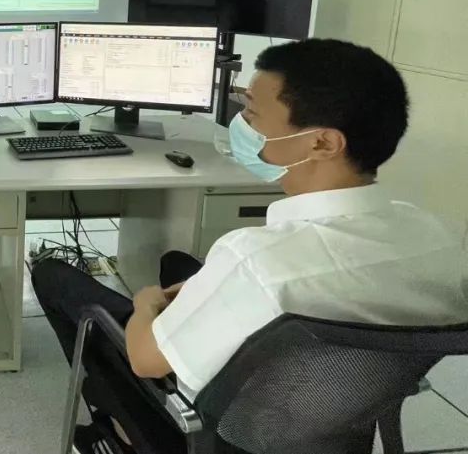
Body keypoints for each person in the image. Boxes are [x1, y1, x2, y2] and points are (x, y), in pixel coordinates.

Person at [33, 38, 468, 454]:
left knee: (53, 277)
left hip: (213, 432)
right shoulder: (445, 241)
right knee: (177, 263)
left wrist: (146, 304)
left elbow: (146, 361)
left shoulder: (253, 259)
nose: (241, 124)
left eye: (252, 113)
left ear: (322, 142)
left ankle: (122, 430)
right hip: (336, 419)